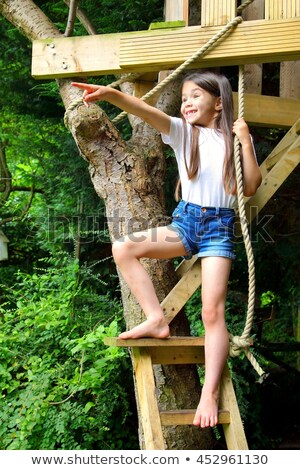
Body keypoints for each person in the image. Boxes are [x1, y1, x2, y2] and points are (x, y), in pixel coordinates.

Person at [72, 72, 262, 428]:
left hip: (220, 228)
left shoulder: (234, 141)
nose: (186, 102)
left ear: (219, 102)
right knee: (124, 248)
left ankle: (209, 393)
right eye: (184, 98)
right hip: (186, 224)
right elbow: (144, 110)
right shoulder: (182, 132)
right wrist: (112, 94)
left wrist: (246, 142)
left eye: (195, 96)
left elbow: (250, 186)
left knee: (211, 312)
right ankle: (156, 318)